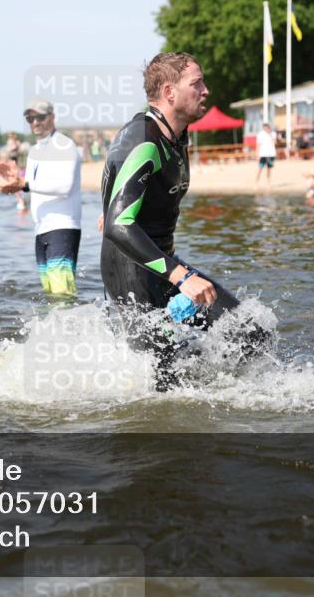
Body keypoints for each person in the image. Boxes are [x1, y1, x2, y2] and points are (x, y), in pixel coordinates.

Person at [100, 52, 269, 392]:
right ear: (169, 92)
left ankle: (218, 393)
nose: (206, 90)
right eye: (197, 84)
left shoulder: (176, 134)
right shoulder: (144, 140)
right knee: (165, 382)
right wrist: (182, 277)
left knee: (250, 333)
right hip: (130, 274)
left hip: (163, 267)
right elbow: (118, 225)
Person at [0, 100, 82, 296]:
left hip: (62, 226)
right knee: (50, 293)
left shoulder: (65, 145)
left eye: (40, 117)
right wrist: (15, 183)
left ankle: (72, 326)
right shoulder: (34, 151)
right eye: (30, 118)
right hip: (41, 228)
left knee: (63, 294)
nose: (35, 122)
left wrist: (24, 184)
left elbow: (64, 187)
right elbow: (33, 186)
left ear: (52, 117)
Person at [255, 123, 277, 189]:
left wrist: (271, 135)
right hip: (263, 154)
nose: (266, 129)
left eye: (267, 128)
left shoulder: (273, 134)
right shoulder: (260, 134)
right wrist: (257, 154)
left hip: (271, 154)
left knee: (269, 169)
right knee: (260, 169)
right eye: (265, 128)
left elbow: (274, 143)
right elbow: (258, 145)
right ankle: (256, 183)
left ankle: (268, 183)